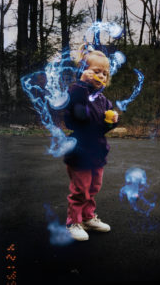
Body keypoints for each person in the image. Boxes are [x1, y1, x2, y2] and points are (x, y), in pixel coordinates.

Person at [63, 44, 118, 241]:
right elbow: (77, 117)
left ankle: (87, 217)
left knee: (94, 187)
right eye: (97, 71)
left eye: (104, 73)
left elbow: (100, 129)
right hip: (79, 151)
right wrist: (81, 85)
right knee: (80, 189)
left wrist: (110, 122)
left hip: (97, 152)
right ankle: (73, 222)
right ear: (84, 72)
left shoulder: (103, 101)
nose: (102, 75)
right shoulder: (77, 92)